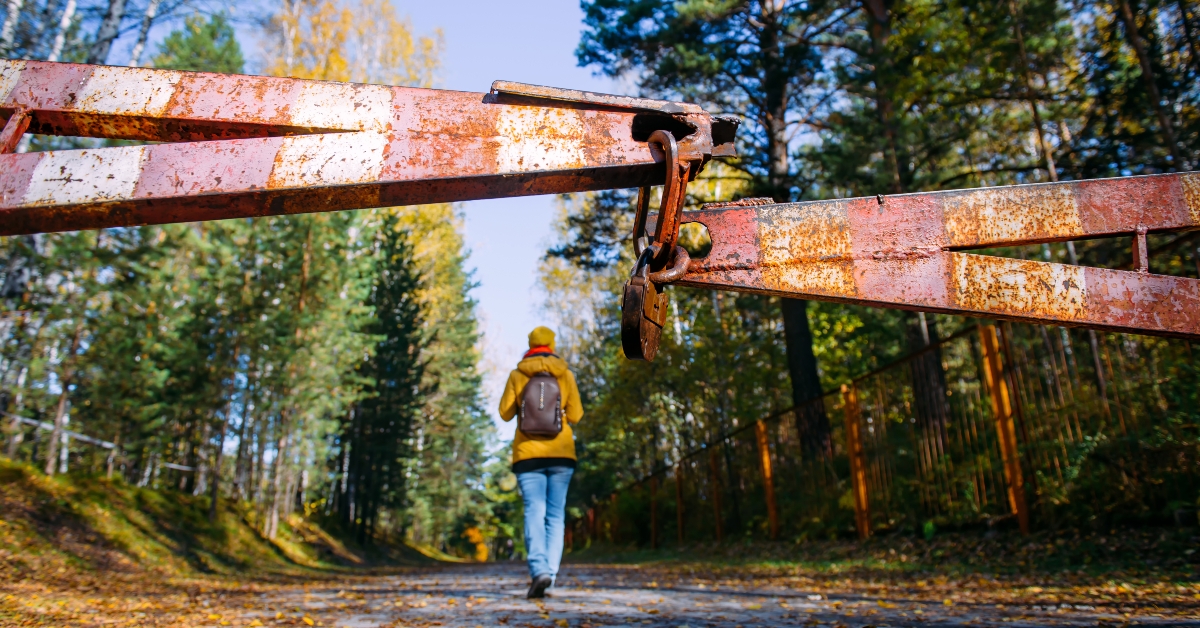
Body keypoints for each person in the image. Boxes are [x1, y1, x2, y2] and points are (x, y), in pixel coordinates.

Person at [498, 326, 583, 599]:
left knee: (534, 511)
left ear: (530, 344)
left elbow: (504, 413)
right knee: (555, 516)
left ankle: (539, 571)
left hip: (528, 454)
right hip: (562, 454)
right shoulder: (565, 374)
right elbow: (577, 415)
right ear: (552, 344)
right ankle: (551, 575)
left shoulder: (517, 374)